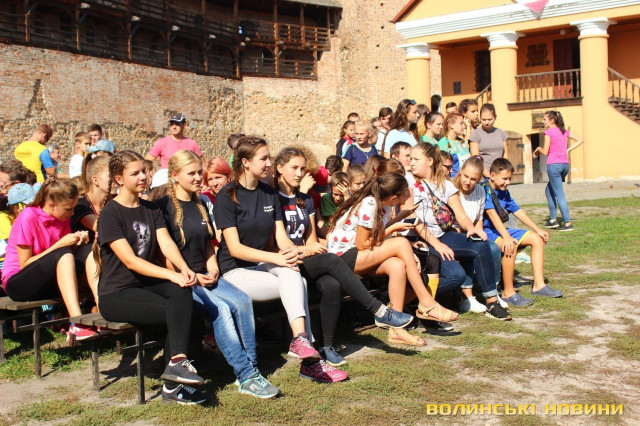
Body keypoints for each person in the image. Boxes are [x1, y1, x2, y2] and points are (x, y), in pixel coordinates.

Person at [213, 136, 342, 383]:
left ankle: (301, 342)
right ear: (245, 162)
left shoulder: (268, 194)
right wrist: (278, 258)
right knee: (297, 280)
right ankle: (310, 361)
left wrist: (290, 252)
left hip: (263, 265)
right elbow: (235, 249)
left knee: (292, 272)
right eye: (263, 158)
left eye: (269, 157)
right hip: (235, 271)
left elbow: (281, 237)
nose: (269, 163)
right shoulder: (227, 195)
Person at [157, 150, 281, 398]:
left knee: (242, 301)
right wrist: (190, 275)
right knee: (221, 309)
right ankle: (246, 375)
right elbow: (163, 252)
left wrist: (213, 268)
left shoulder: (201, 203)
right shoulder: (163, 207)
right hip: (182, 280)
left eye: (199, 172)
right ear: (175, 176)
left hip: (206, 274)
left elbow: (206, 244)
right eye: (191, 174)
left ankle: (251, 369)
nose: (198, 178)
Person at [275, 148, 412, 367]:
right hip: (283, 262)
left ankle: (327, 346)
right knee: (333, 260)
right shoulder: (273, 199)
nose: (300, 174)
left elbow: (311, 238)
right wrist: (303, 250)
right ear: (279, 168)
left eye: (303, 169)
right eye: (295, 168)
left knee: (332, 284)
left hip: (306, 258)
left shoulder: (305, 200)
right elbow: (275, 243)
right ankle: (379, 310)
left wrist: (314, 246)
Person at [95, 150, 207, 405]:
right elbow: (130, 261)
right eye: (135, 173)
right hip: (117, 293)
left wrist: (183, 269)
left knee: (181, 292)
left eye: (144, 171)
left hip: (144, 286)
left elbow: (165, 242)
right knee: (177, 310)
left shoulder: (150, 208)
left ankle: (176, 366)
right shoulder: (111, 213)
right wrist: (171, 274)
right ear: (119, 179)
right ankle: (175, 382)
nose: (143, 177)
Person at [328, 172, 456, 346]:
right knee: (401, 243)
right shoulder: (369, 204)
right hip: (343, 257)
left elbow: (377, 237)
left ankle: (396, 330)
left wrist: (402, 233)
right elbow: (363, 244)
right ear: (394, 197)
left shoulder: (384, 206)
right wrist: (395, 229)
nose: (407, 196)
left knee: (398, 265)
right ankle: (426, 303)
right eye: (404, 194)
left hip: (359, 255)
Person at [403, 143, 511, 320]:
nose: (411, 162)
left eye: (416, 159)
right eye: (410, 158)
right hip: (417, 239)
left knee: (481, 245)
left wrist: (472, 229)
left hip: (442, 235)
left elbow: (460, 215)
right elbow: (411, 217)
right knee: (456, 276)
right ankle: (413, 298)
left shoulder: (445, 185)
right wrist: (437, 245)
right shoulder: (407, 181)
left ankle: (492, 302)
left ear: (429, 161)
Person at [1, 179, 97, 340]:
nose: (72, 213)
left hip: (47, 279)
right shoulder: (28, 216)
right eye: (68, 208)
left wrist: (75, 244)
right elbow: (25, 264)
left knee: (88, 250)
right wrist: (60, 245)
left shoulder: (62, 217)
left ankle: (102, 312)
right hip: (17, 282)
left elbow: (63, 259)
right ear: (52, 205)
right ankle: (77, 323)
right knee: (62, 253)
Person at [483, 158, 563, 306]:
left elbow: (517, 210)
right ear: (492, 175)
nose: (507, 182)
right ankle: (508, 292)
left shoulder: (504, 191)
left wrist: (537, 229)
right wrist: (507, 237)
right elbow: (492, 214)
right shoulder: (485, 189)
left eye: (509, 179)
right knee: (510, 245)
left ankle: (539, 285)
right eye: (504, 179)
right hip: (486, 231)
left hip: (500, 230)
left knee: (537, 239)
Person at [452, 156, 509, 316]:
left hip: (472, 231)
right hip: (454, 232)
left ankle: (492, 291)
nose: (468, 182)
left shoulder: (480, 191)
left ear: (478, 180)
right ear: (461, 172)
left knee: (493, 248)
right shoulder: (452, 189)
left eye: (473, 179)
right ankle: (466, 297)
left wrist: (479, 231)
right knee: (472, 249)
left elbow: (479, 218)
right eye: (466, 176)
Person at [71, 155, 111, 308]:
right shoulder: (80, 204)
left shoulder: (112, 202)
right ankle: (101, 306)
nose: (117, 179)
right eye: (111, 175)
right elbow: (100, 226)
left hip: (106, 265)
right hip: (82, 268)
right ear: (95, 180)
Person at [533, 110, 583, 232]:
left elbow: (545, 152)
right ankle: (552, 220)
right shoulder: (563, 131)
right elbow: (580, 140)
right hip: (564, 166)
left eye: (545, 119)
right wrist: (567, 150)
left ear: (551, 120)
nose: (543, 122)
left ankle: (567, 223)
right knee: (549, 191)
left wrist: (537, 149)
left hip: (554, 166)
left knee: (559, 194)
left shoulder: (549, 132)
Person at [469, 104, 509, 179]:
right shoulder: (476, 134)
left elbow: (505, 157)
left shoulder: (501, 133)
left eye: (490, 119)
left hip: (500, 177)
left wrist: (503, 175)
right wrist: (489, 177)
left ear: (495, 117)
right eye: (483, 120)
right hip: (483, 177)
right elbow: (476, 159)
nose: (487, 122)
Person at [438, 112, 470, 178]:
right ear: (451, 125)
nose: (464, 126)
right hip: (451, 180)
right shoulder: (442, 144)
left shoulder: (462, 142)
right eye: (461, 123)